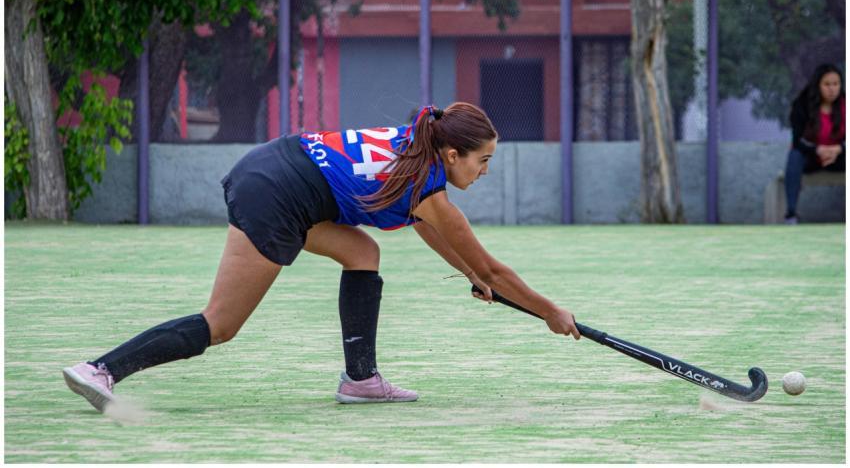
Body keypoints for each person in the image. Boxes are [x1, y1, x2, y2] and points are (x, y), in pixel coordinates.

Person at [63, 102, 580, 411]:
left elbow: (433, 231)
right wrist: (549, 312)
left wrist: (471, 274)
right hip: (278, 194)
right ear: (452, 155)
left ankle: (361, 380)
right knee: (221, 324)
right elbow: (491, 267)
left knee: (362, 251)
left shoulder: (417, 151)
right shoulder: (430, 186)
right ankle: (101, 370)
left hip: (276, 165)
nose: (485, 171)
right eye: (482, 160)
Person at [784, 63, 846, 224]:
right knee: (794, 156)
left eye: (836, 84)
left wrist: (839, 149)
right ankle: (791, 214)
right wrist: (818, 150)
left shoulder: (845, 104)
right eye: (827, 84)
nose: (832, 89)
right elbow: (798, 140)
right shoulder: (801, 105)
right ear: (817, 85)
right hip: (811, 157)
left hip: (839, 156)